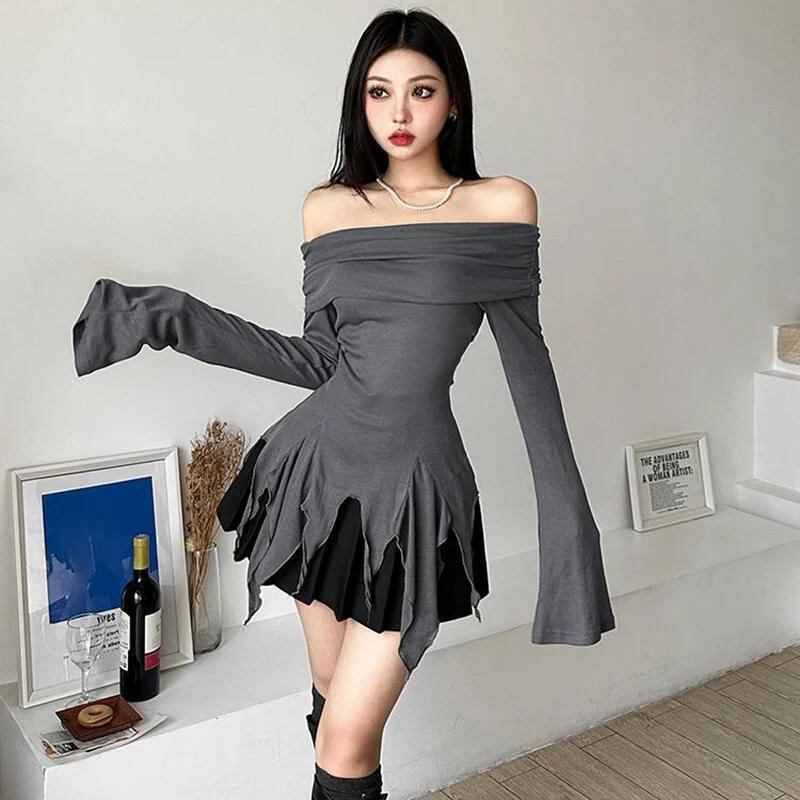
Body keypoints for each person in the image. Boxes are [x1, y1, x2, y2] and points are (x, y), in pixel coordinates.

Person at [72, 8, 616, 800]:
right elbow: (321, 361)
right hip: (316, 483)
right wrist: (172, 318)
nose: (400, 112)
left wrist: (569, 536)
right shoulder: (329, 207)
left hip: (414, 495)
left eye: (421, 90)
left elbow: (532, 377)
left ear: (453, 102)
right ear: (359, 103)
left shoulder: (501, 204)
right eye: (379, 92)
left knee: (346, 739)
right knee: (332, 710)